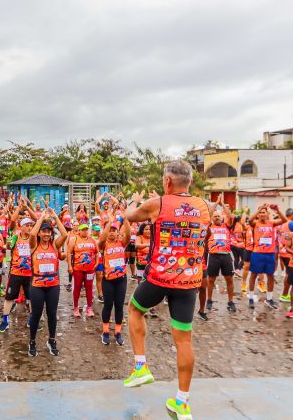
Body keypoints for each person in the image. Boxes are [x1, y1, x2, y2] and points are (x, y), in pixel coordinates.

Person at [124, 160, 212, 420]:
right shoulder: (204, 206)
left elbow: (130, 216)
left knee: (134, 310)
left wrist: (134, 200)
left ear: (167, 181)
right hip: (189, 282)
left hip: (159, 278)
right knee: (184, 340)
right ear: (190, 182)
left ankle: (141, 367)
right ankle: (182, 402)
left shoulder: (158, 203)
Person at [27, 207, 67, 357]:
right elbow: (31, 233)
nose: (46, 234)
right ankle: (32, 341)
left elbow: (64, 234)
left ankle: (52, 340)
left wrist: (56, 217)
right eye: (43, 231)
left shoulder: (55, 246)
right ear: (39, 232)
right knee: (36, 314)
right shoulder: (34, 245)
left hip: (53, 285)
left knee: (52, 313)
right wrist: (41, 218)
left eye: (48, 231)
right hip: (37, 285)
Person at [0, 199, 36, 332]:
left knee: (31, 298)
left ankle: (32, 319)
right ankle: (5, 320)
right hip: (15, 273)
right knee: (9, 297)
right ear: (22, 226)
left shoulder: (33, 239)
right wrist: (19, 207)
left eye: (31, 226)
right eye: (27, 225)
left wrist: (28, 207)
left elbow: (36, 219)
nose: (30, 228)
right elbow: (12, 221)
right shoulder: (15, 236)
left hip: (30, 274)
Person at [98, 214, 130, 345]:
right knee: (108, 305)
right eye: (109, 230)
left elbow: (127, 234)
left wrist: (126, 218)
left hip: (121, 279)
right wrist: (109, 223)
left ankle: (118, 332)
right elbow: (101, 239)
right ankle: (105, 332)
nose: (111, 232)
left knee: (119, 306)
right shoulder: (103, 245)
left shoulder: (122, 243)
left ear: (118, 233)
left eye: (114, 230)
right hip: (108, 280)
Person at [247, 203, 286, 309]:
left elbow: (284, 220)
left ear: (267, 214)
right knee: (254, 275)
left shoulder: (271, 223)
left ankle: (269, 299)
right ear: (258, 214)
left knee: (270, 276)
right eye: (260, 212)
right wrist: (259, 208)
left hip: (270, 254)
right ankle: (250, 297)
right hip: (257, 253)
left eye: (264, 212)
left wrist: (277, 210)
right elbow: (250, 220)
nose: (262, 214)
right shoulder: (255, 223)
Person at [206, 194, 237, 314]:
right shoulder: (210, 225)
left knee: (229, 279)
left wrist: (222, 204)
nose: (217, 218)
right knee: (211, 279)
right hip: (213, 255)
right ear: (212, 218)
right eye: (215, 216)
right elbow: (208, 214)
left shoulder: (226, 226)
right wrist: (216, 203)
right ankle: (209, 300)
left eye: (219, 216)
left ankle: (231, 301)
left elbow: (230, 216)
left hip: (226, 255)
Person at [67, 223, 98, 318]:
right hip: (78, 269)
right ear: (79, 230)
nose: (85, 231)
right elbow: (68, 253)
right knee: (77, 287)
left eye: (86, 229)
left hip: (90, 269)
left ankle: (89, 308)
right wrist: (70, 266)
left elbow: (97, 253)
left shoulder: (92, 240)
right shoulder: (74, 240)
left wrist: (96, 263)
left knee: (89, 288)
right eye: (83, 229)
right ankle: (76, 307)